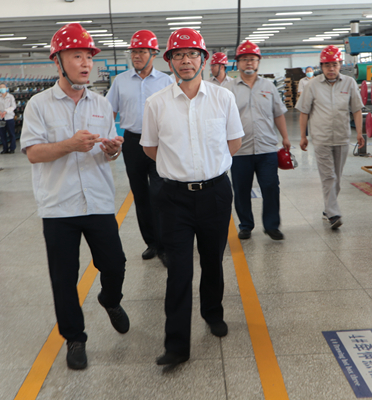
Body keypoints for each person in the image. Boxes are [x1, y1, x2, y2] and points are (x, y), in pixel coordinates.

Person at [20, 23, 129, 370]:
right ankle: (75, 338)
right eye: (77, 56)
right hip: (59, 206)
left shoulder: (101, 104)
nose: (85, 64)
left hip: (98, 200)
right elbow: (33, 153)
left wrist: (113, 150)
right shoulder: (39, 105)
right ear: (58, 62)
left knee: (115, 264)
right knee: (64, 278)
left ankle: (110, 299)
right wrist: (69, 145)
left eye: (88, 57)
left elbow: (109, 152)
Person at [141, 28, 244, 369]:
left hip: (215, 193)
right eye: (178, 55)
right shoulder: (156, 103)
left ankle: (213, 313)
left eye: (192, 54)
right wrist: (179, 168)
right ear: (169, 61)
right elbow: (150, 148)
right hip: (174, 198)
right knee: (179, 270)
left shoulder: (222, 98)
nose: (186, 60)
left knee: (213, 261)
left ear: (203, 59)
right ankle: (176, 345)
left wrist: (208, 168)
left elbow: (234, 143)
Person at [106, 30, 172, 264]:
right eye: (133, 51)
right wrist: (111, 138)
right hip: (132, 143)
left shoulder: (166, 81)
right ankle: (151, 243)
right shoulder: (120, 81)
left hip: (159, 143)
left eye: (142, 51)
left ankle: (164, 246)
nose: (136, 55)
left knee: (159, 194)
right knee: (141, 195)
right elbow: (109, 111)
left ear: (153, 54)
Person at [222, 40, 291, 241]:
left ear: (258, 62)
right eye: (244, 59)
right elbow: (221, 118)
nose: (249, 63)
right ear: (238, 63)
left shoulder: (268, 86)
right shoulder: (228, 88)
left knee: (270, 187)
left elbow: (278, 113)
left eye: (252, 59)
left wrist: (285, 137)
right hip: (239, 150)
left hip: (267, 148)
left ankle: (272, 226)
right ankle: (245, 225)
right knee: (241, 189)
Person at [295, 45, 364, 229]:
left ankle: (328, 210)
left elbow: (357, 109)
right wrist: (303, 136)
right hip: (321, 138)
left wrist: (359, 132)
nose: (331, 68)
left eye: (334, 64)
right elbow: (304, 112)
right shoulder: (312, 85)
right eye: (327, 65)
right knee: (329, 177)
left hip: (342, 137)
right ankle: (334, 214)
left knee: (337, 179)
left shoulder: (349, 83)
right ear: (321, 67)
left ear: (340, 64)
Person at [0, 83, 17, 154]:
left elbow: (13, 106)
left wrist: (6, 111)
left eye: (3, 87)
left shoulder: (10, 97)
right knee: (2, 134)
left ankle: (12, 148)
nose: (2, 88)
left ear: (6, 88)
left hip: (9, 117)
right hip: (0, 117)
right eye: (0, 87)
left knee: (11, 133)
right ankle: (5, 148)